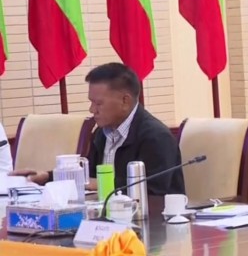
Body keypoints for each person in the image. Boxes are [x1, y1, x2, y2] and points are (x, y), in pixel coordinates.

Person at [12, 63, 185, 195]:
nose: (92, 109)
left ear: (125, 101)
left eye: (99, 103)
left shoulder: (156, 137)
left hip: (154, 223)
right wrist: (47, 176)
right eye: (91, 102)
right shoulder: (102, 133)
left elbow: (153, 189)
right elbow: (88, 177)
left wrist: (101, 184)